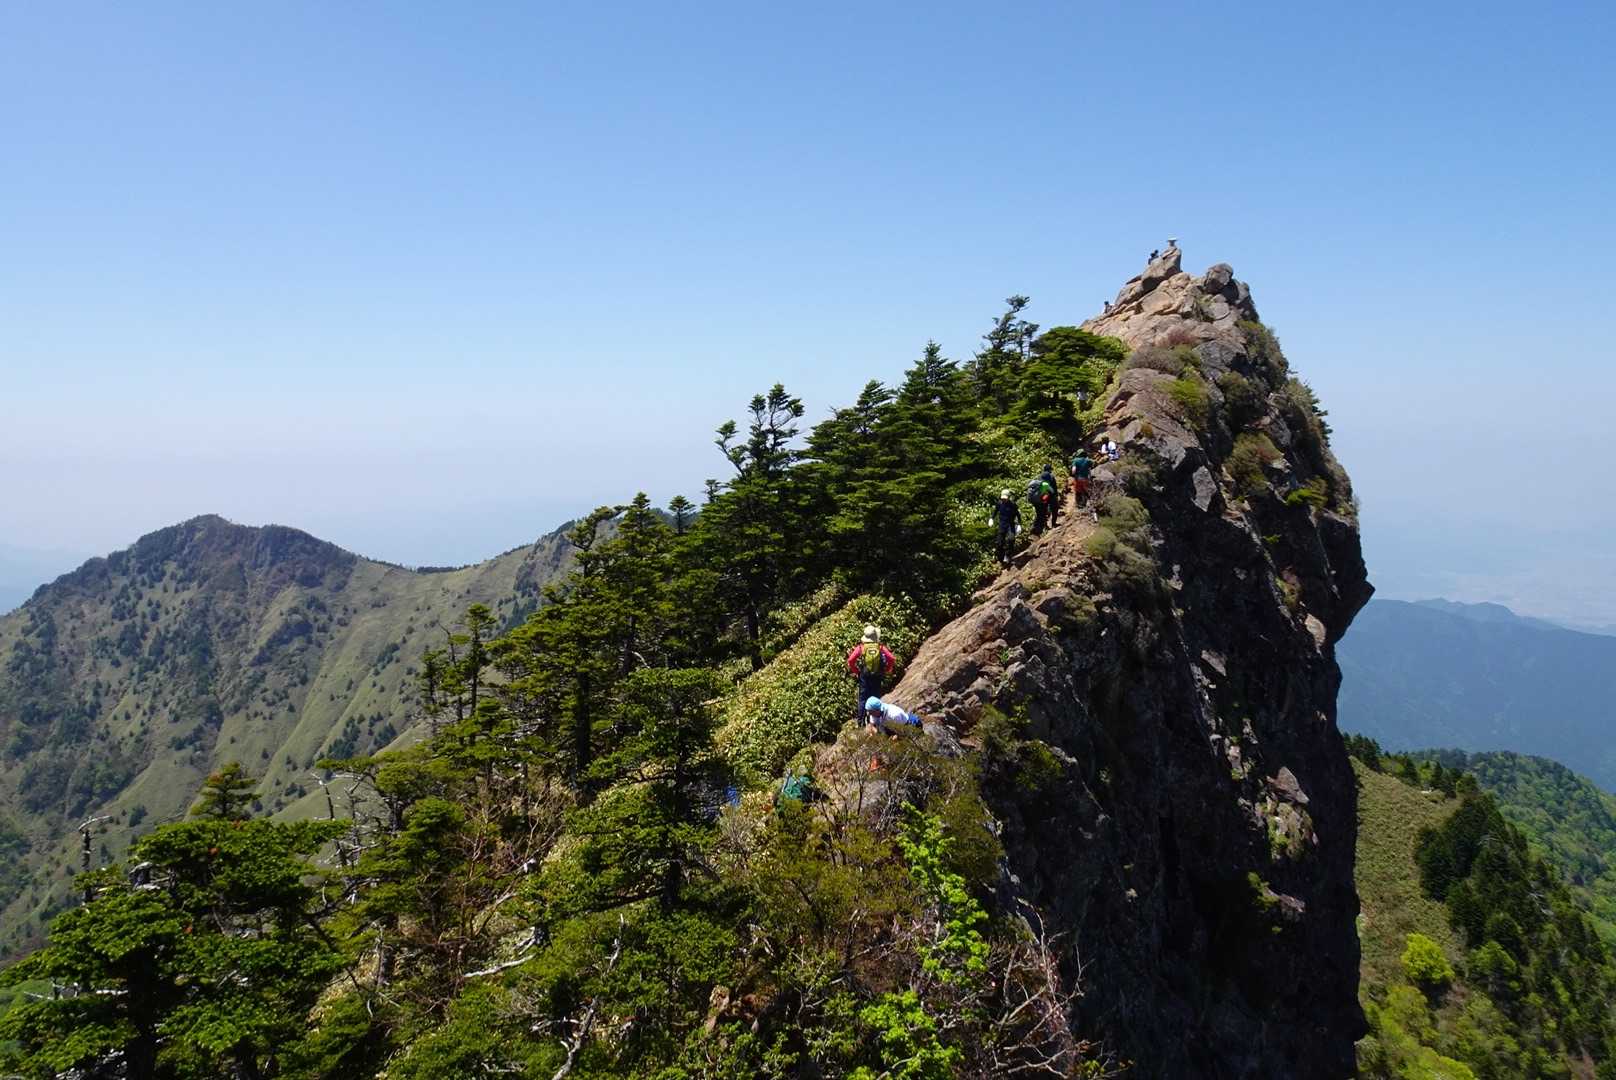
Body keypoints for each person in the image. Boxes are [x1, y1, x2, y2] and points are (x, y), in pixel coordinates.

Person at [846, 625, 897, 722]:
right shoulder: (880, 647)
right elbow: (891, 658)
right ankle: (875, 720)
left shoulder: (861, 647)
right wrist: (887, 669)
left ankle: (861, 722)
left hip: (864, 675)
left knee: (862, 699)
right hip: (877, 675)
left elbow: (850, 660)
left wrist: (857, 671)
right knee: (875, 697)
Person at [993, 488, 1021, 565]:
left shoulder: (1013, 505)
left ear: (1008, 497)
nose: (1003, 500)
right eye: (1002, 499)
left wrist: (1019, 524)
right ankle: (1000, 558)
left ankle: (1008, 555)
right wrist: (991, 518)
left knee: (1011, 539)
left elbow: (1018, 515)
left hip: (1010, 524)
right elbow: (995, 511)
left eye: (1005, 498)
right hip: (1002, 524)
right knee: (999, 542)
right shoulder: (999, 504)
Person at [1041, 464, 1061, 528]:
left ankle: (1045, 525)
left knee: (1044, 510)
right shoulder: (1051, 476)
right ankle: (1053, 524)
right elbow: (1054, 486)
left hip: (1044, 495)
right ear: (1049, 469)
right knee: (1055, 509)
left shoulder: (1040, 476)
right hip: (1051, 495)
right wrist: (1056, 495)